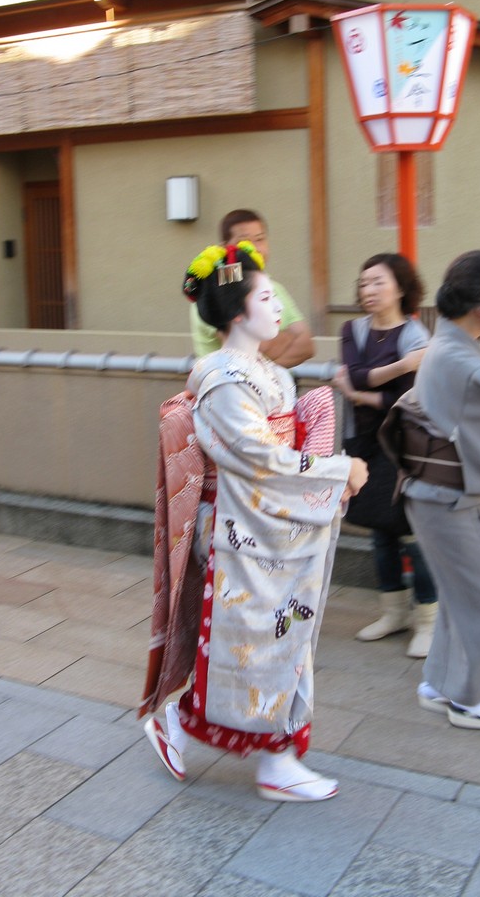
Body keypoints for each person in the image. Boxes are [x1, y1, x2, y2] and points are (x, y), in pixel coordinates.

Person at [142, 240, 368, 801]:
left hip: (268, 524)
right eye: (267, 298)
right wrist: (337, 471)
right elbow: (259, 458)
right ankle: (272, 759)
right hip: (240, 531)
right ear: (239, 313)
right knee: (260, 645)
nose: (278, 307)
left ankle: (245, 746)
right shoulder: (223, 381)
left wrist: (317, 433)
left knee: (277, 641)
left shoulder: (266, 372)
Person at [381, 250, 480, 730]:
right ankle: (468, 699)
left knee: (460, 597)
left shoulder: (451, 345)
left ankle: (440, 682)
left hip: (441, 495)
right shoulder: (455, 352)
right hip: (452, 499)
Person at [333, 253, 437, 658]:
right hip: (363, 442)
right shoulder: (353, 329)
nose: (368, 290)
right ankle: (393, 613)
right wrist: (401, 366)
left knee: (412, 531)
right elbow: (356, 373)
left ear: (401, 287)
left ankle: (428, 620)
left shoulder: (415, 333)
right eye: (364, 283)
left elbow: (405, 397)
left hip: (403, 442)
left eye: (378, 281)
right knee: (379, 530)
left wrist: (358, 393)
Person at [189, 209, 315, 368]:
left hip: (268, 382)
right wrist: (290, 337)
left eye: (260, 239)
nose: (255, 248)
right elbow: (256, 346)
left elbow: (307, 346)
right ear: (225, 247)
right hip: (226, 381)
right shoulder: (217, 291)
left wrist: (265, 371)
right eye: (244, 241)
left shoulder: (275, 287)